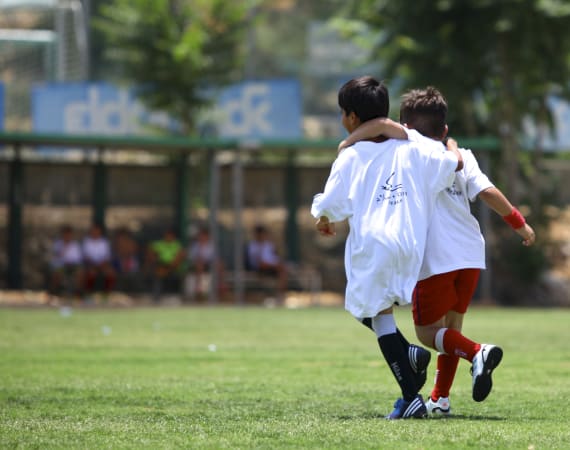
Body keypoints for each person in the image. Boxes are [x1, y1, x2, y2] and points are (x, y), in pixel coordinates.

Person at [338, 86, 536, 415]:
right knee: (449, 330)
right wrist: (519, 224)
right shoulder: (461, 155)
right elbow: (489, 192)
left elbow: (379, 126)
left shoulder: (408, 153)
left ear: (405, 128)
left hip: (435, 258)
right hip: (471, 253)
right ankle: (440, 399)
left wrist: (347, 142)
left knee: (429, 334)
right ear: (444, 130)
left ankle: (477, 353)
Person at [311, 76, 464, 419]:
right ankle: (408, 360)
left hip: (374, 243)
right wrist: (451, 146)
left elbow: (331, 204)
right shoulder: (414, 147)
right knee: (371, 309)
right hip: (410, 244)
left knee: (371, 311)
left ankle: (411, 394)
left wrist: (322, 216)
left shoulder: (351, 156)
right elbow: (451, 164)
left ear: (351, 117)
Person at [185, 225, 227, 300]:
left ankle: (221, 285)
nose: (202, 238)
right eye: (200, 236)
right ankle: (199, 287)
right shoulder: (195, 246)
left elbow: (215, 258)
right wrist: (199, 254)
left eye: (204, 236)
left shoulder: (211, 246)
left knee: (220, 264)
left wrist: (210, 261)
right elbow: (191, 258)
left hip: (208, 264)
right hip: (196, 264)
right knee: (199, 264)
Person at [246, 224, 288, 299]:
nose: (263, 236)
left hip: (271, 268)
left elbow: (273, 257)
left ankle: (279, 295)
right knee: (280, 268)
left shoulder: (268, 244)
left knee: (282, 270)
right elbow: (258, 262)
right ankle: (277, 295)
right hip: (259, 268)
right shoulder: (253, 246)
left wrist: (276, 263)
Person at [146, 227, 186, 303]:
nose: (168, 237)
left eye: (170, 236)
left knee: (177, 275)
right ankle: (156, 298)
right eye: (167, 235)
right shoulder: (159, 244)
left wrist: (167, 269)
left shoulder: (177, 245)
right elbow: (150, 252)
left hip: (174, 269)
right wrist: (156, 261)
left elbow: (179, 259)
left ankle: (182, 297)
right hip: (160, 266)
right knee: (158, 274)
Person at [48, 224, 84, 299]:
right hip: (61, 266)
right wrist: (64, 247)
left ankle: (78, 295)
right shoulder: (58, 244)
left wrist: (71, 262)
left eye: (69, 234)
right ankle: (54, 294)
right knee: (56, 273)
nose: (67, 236)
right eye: (65, 234)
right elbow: (56, 257)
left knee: (80, 272)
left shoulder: (75, 244)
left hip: (72, 266)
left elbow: (78, 259)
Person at [82, 222, 116, 300]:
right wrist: (93, 264)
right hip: (90, 265)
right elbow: (86, 257)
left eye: (97, 230)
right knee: (91, 273)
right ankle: (88, 295)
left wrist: (102, 264)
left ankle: (106, 295)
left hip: (102, 265)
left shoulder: (104, 242)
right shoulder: (87, 242)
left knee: (110, 273)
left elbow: (107, 257)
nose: (95, 232)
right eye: (94, 230)